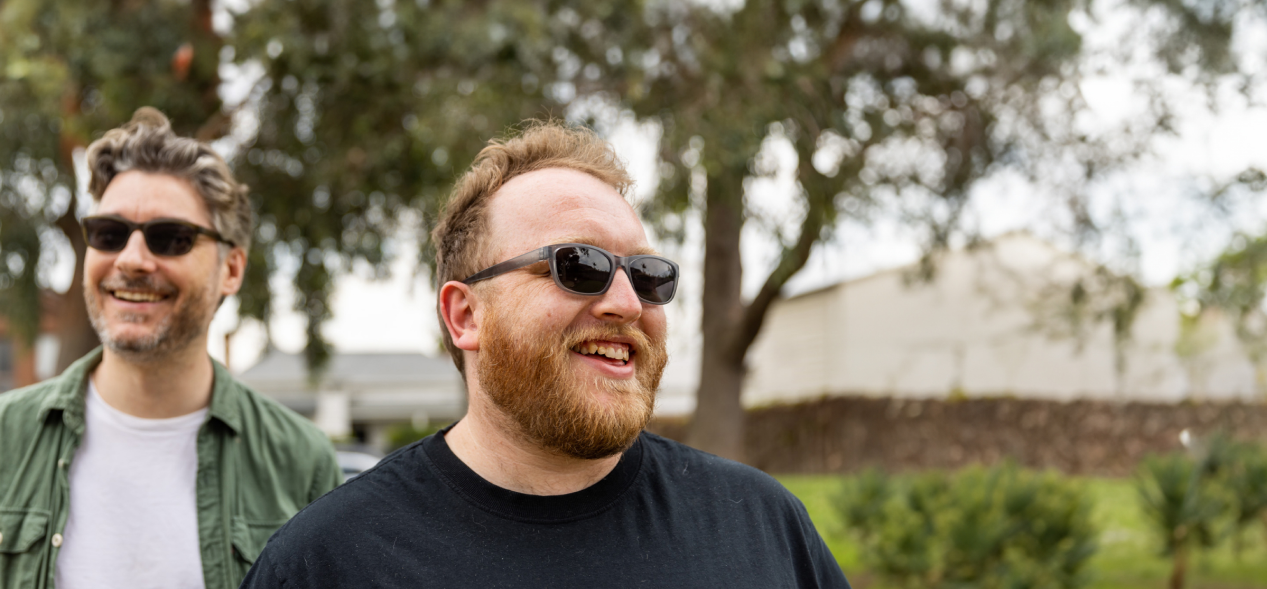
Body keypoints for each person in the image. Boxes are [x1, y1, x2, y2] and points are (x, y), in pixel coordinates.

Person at [239, 122, 851, 588]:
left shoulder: (761, 526)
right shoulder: (330, 562)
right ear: (464, 315)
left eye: (647, 273)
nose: (626, 302)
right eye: (578, 266)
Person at [0, 107, 342, 589]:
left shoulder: (301, 461)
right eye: (109, 234)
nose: (132, 260)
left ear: (231, 269)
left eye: (171, 238)